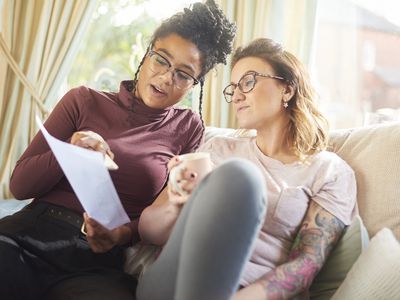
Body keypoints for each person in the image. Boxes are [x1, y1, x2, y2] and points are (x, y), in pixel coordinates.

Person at [0, 1, 236, 299]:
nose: (166, 77)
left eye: (183, 74)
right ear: (147, 52)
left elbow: (164, 210)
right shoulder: (82, 100)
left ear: (194, 84)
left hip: (97, 258)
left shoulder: (188, 128)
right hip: (29, 235)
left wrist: (119, 235)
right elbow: (20, 186)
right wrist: (71, 152)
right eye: (161, 59)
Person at [136, 38, 357, 300]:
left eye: (248, 82)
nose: (237, 95)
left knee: (242, 177)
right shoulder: (216, 148)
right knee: (238, 175)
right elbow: (148, 233)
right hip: (173, 278)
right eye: (233, 88)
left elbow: (305, 265)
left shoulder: (330, 172)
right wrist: (177, 202)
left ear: (287, 89)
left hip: (248, 292)